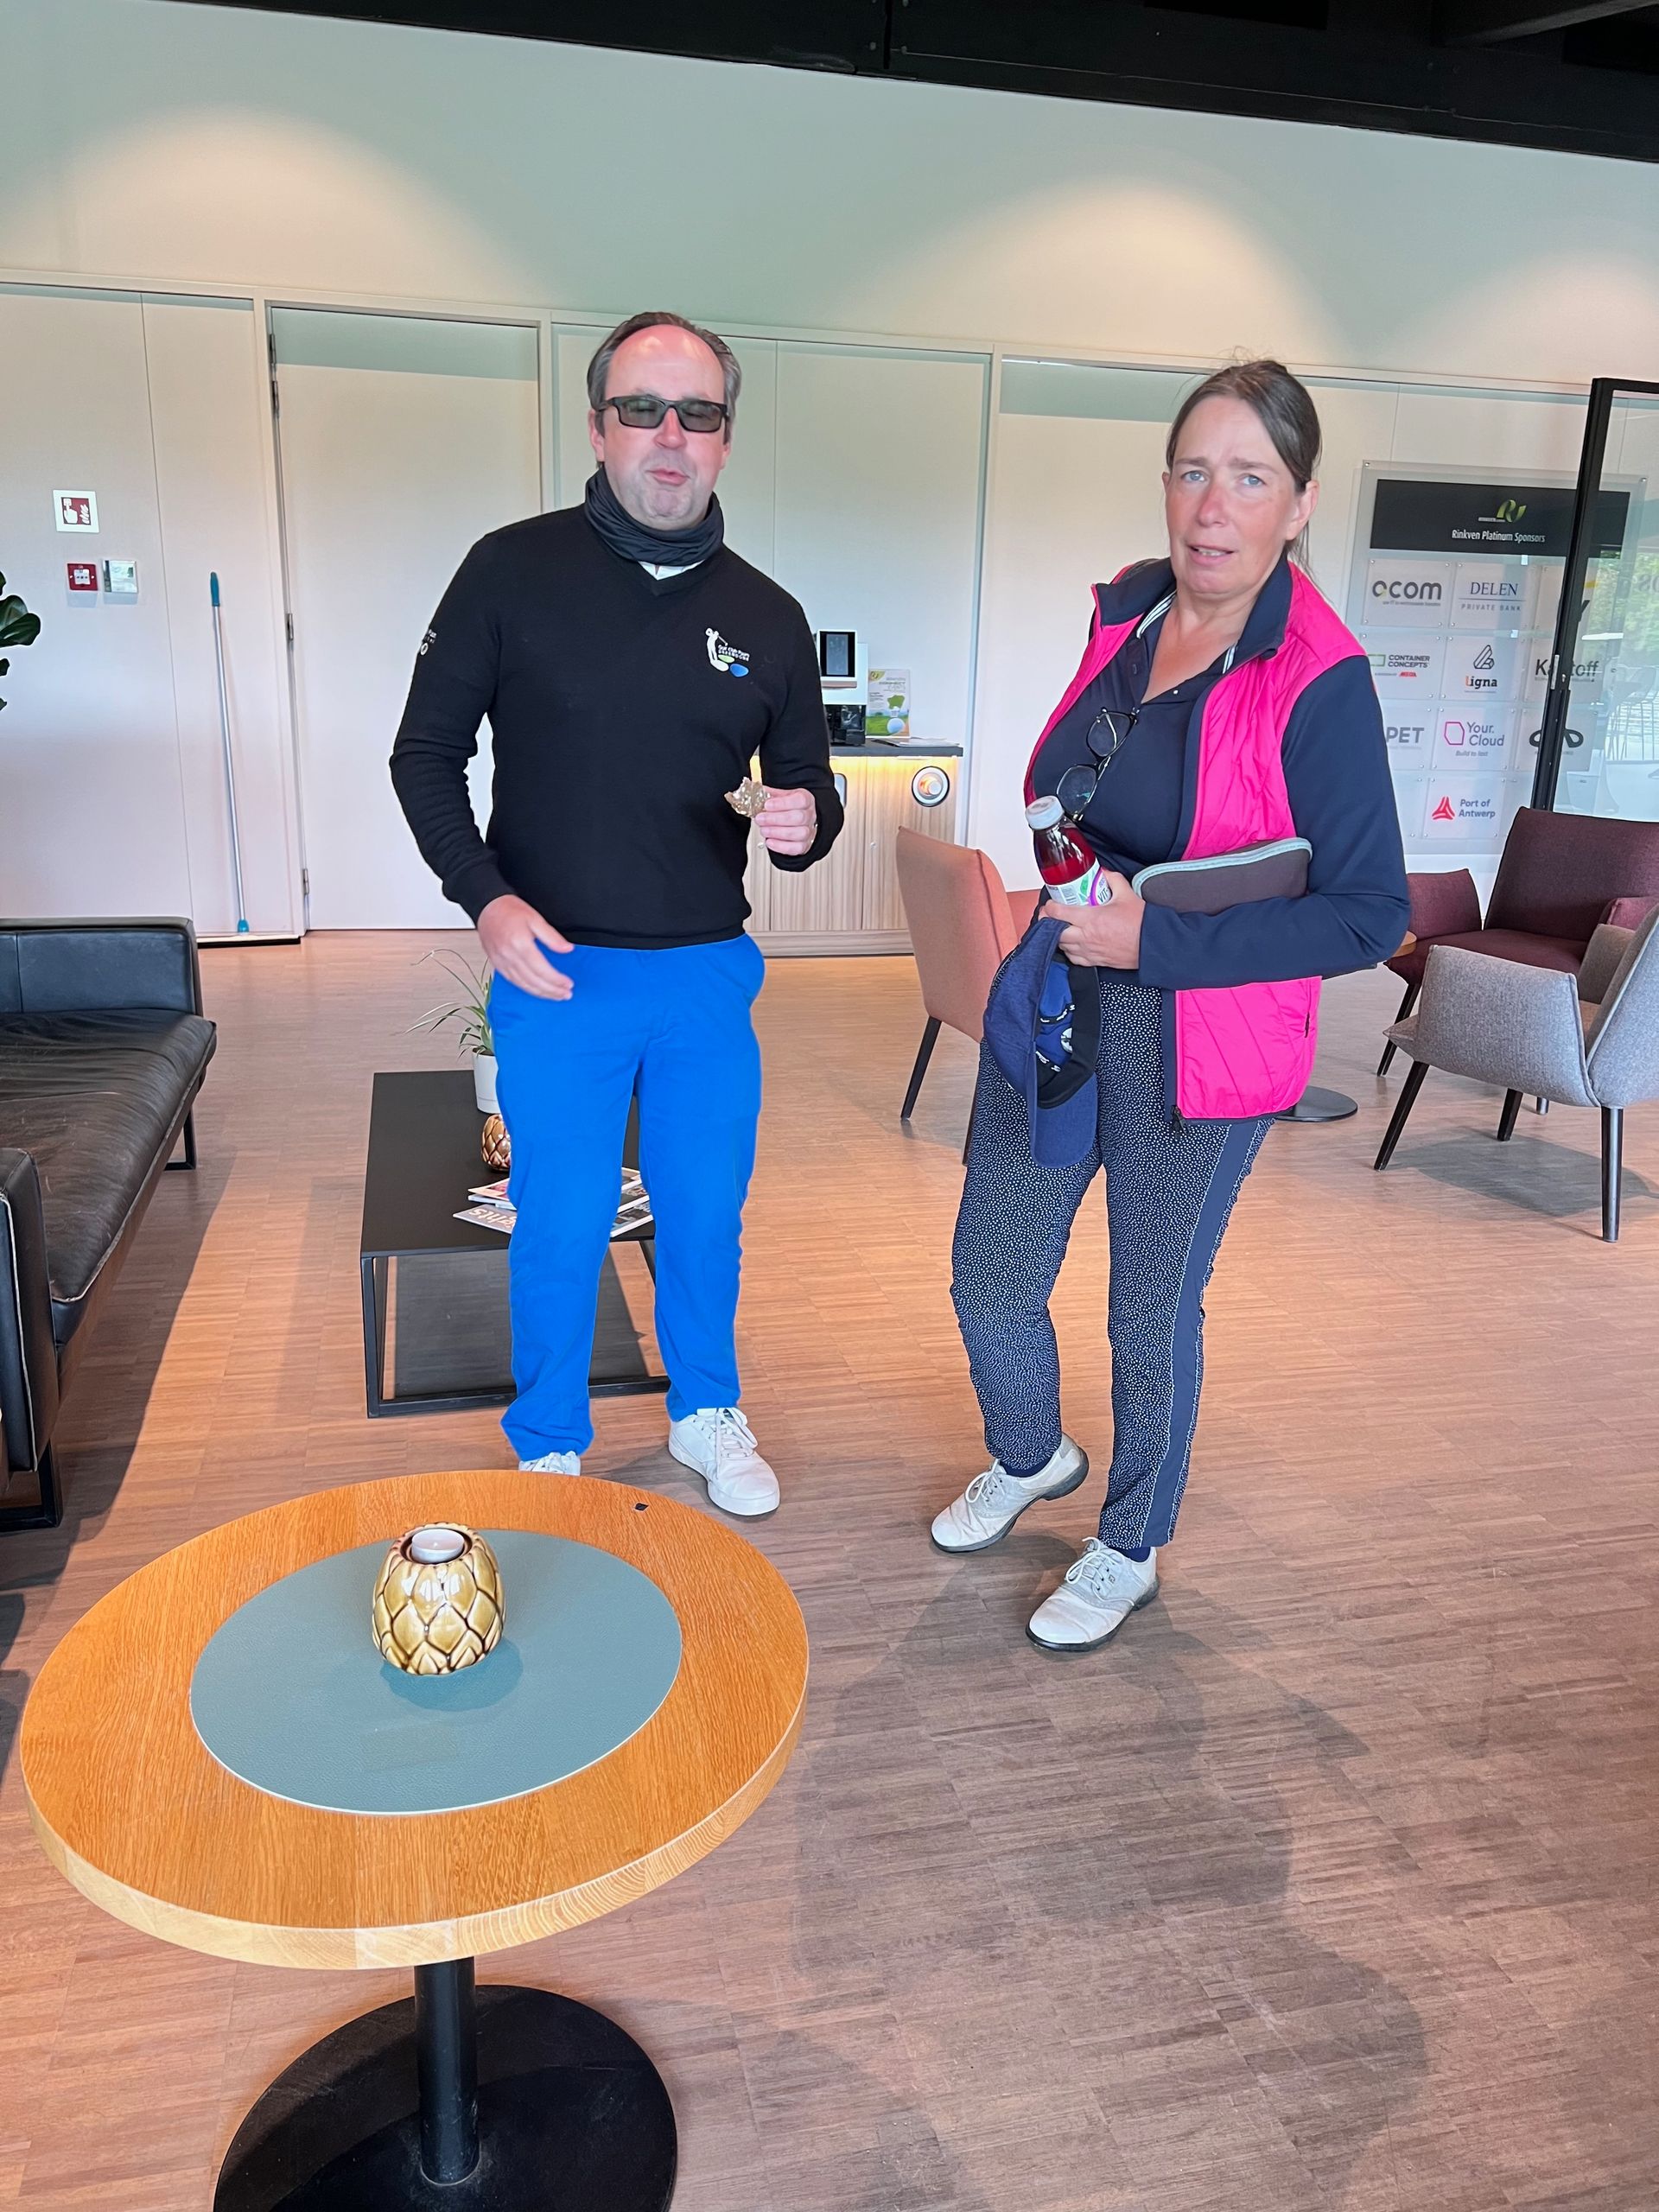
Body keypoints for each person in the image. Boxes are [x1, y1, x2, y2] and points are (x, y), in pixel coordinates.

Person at [931, 359, 1409, 1650]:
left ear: (1298, 505)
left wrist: (1161, 938)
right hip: (1062, 990)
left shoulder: (1320, 677)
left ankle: (1130, 1541)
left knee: (1147, 1309)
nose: (1214, 506)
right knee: (990, 1267)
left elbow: (1371, 913)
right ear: (1166, 485)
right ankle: (1030, 1453)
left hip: (1201, 1031)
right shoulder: (1128, 614)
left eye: (1250, 478)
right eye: (1195, 471)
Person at [391, 310, 842, 1516]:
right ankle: (548, 1437)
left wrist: (805, 819)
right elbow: (424, 754)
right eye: (642, 409)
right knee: (562, 1218)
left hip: (704, 974)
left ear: (726, 439)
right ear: (598, 428)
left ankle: (704, 1410)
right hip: (558, 971)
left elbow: (812, 792)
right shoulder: (510, 571)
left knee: (703, 1213)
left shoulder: (769, 617)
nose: (669, 436)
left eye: (697, 414)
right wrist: (485, 899)